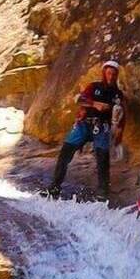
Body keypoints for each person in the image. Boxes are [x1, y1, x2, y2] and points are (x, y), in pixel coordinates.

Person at [45, 60, 126, 200]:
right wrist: (95, 104)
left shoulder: (118, 94)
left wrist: (119, 133)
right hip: (84, 124)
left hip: (102, 127)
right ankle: (54, 187)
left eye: (113, 74)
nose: (111, 76)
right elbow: (79, 99)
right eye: (109, 73)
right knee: (65, 153)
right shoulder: (94, 87)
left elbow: (122, 114)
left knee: (103, 158)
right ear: (104, 73)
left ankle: (103, 192)